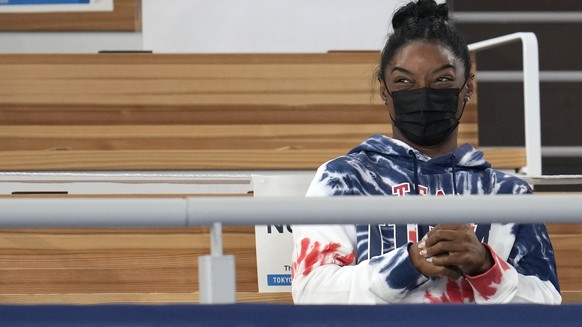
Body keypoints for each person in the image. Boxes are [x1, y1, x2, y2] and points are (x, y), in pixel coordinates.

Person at [291, 0, 561, 304]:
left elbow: (548, 304)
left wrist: (485, 266)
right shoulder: (343, 179)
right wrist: (409, 264)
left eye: (442, 80)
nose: (423, 93)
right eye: (404, 81)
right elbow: (311, 293)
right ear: (384, 90)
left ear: (468, 86)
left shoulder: (509, 193)